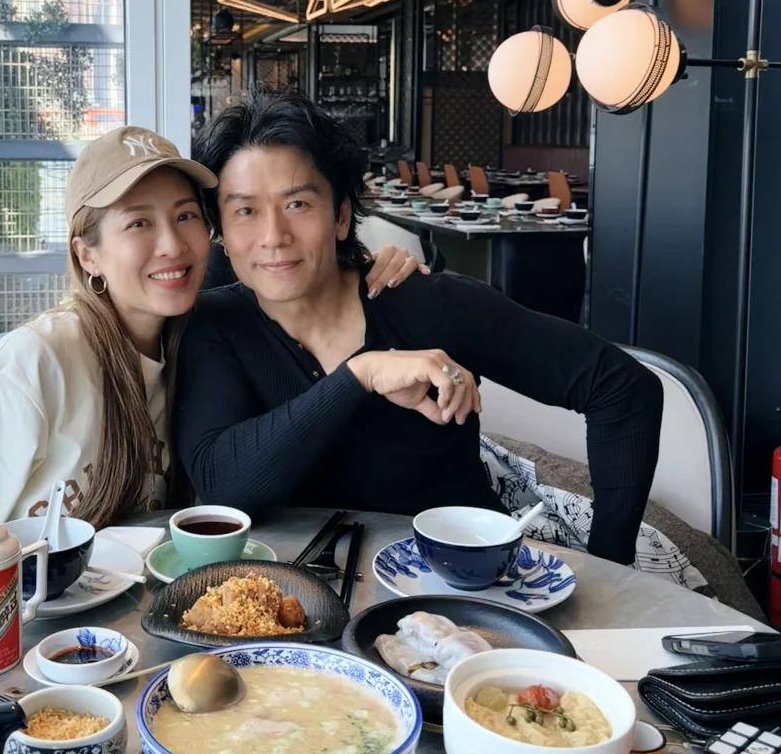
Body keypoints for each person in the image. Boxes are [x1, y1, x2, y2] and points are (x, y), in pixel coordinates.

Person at [0, 124, 422, 565]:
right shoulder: (30, 367)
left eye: (185, 216)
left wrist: (369, 270)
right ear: (87, 255)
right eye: (138, 223)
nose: (171, 245)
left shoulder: (199, 342)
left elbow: (281, 266)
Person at [174, 91, 663, 565]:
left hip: (461, 588)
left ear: (341, 216)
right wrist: (360, 375)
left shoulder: (427, 303)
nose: (273, 236)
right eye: (245, 211)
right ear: (221, 232)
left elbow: (622, 388)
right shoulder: (216, 325)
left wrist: (611, 565)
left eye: (298, 204)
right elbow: (223, 487)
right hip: (296, 600)